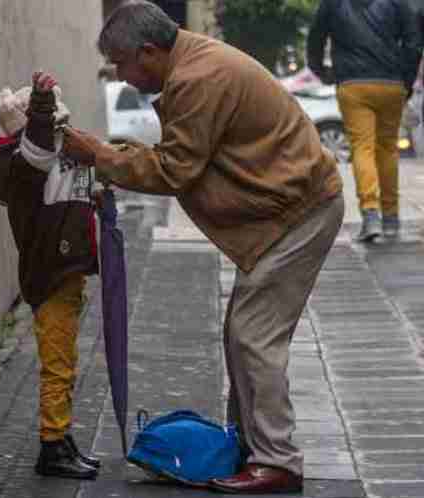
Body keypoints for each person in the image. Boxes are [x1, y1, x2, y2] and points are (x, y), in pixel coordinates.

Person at [62, 1, 344, 494]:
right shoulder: (194, 64)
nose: (124, 78)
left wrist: (101, 155)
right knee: (244, 333)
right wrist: (109, 157)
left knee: (253, 336)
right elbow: (183, 160)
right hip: (288, 211)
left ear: (148, 52)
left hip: (298, 213)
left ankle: (277, 461)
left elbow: (175, 169)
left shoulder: (198, 77)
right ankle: (254, 447)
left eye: (123, 64)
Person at [0, 71, 102, 480]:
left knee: (65, 362)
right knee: (57, 366)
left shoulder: (48, 165)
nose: (60, 133)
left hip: (66, 276)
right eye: (54, 126)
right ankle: (52, 446)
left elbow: (75, 181)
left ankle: (62, 438)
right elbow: (36, 147)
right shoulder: (25, 169)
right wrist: (41, 103)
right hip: (49, 279)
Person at [307, 0, 421, 240]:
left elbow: (315, 37)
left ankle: (370, 216)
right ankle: (391, 217)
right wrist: (406, 81)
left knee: (362, 147)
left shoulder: (334, 4)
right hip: (391, 82)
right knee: (387, 149)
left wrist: (322, 71)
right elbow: (413, 42)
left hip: (353, 83)